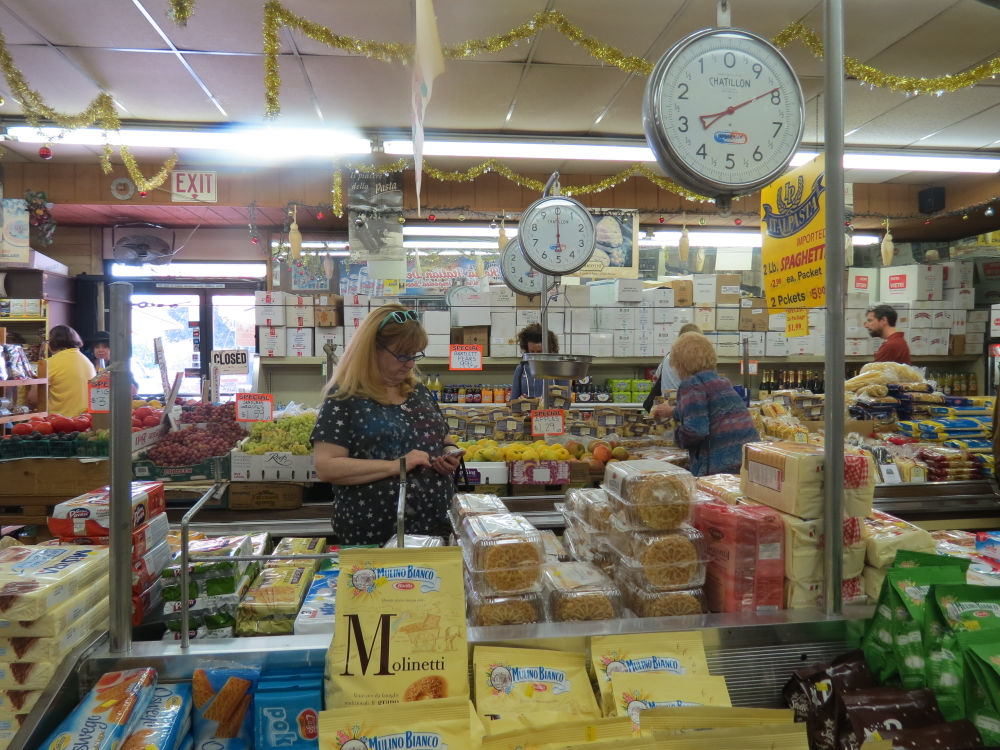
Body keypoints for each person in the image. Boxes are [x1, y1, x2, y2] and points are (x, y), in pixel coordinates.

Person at [310, 304, 464, 545]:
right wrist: (397, 465)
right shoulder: (345, 397)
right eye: (402, 355)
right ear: (372, 349)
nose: (410, 364)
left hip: (437, 532)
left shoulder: (418, 391)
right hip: (374, 539)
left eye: (415, 354)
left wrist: (449, 454)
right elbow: (327, 466)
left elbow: (443, 437)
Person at [651, 331, 759, 477]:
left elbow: (696, 430)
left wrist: (674, 439)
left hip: (718, 466)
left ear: (680, 362)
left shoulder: (691, 384)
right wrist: (672, 412)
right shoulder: (720, 382)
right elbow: (706, 410)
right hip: (747, 461)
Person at [31, 325, 96, 417]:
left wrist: (30, 384)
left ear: (52, 343)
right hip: (86, 420)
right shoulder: (87, 361)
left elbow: (33, 399)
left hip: (61, 422)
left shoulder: (50, 363)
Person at [511, 323, 569, 399]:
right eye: (532, 351)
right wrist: (519, 401)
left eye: (539, 352)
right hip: (527, 410)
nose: (535, 356)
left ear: (549, 349)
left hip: (551, 410)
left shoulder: (559, 369)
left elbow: (566, 400)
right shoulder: (521, 369)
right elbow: (513, 400)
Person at [654, 322, 703, 394]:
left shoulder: (668, 355)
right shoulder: (695, 359)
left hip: (665, 403)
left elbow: (656, 377)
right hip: (685, 402)